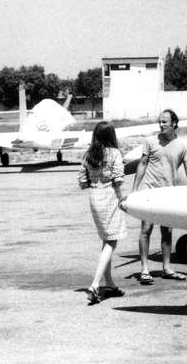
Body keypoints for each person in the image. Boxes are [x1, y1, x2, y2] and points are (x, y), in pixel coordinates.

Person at [131, 109, 187, 284]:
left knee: (167, 231)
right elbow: (142, 164)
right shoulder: (150, 141)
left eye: (164, 122)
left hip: (168, 193)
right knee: (146, 229)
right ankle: (144, 269)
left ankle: (167, 268)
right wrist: (135, 189)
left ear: (174, 124)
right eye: (160, 121)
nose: (161, 125)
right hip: (149, 191)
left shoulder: (182, 146)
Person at [78, 121, 126, 305]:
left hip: (94, 197)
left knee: (106, 240)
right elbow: (118, 180)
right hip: (110, 197)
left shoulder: (88, 154)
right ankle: (95, 284)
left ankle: (110, 284)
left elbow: (82, 181)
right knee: (112, 241)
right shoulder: (115, 153)